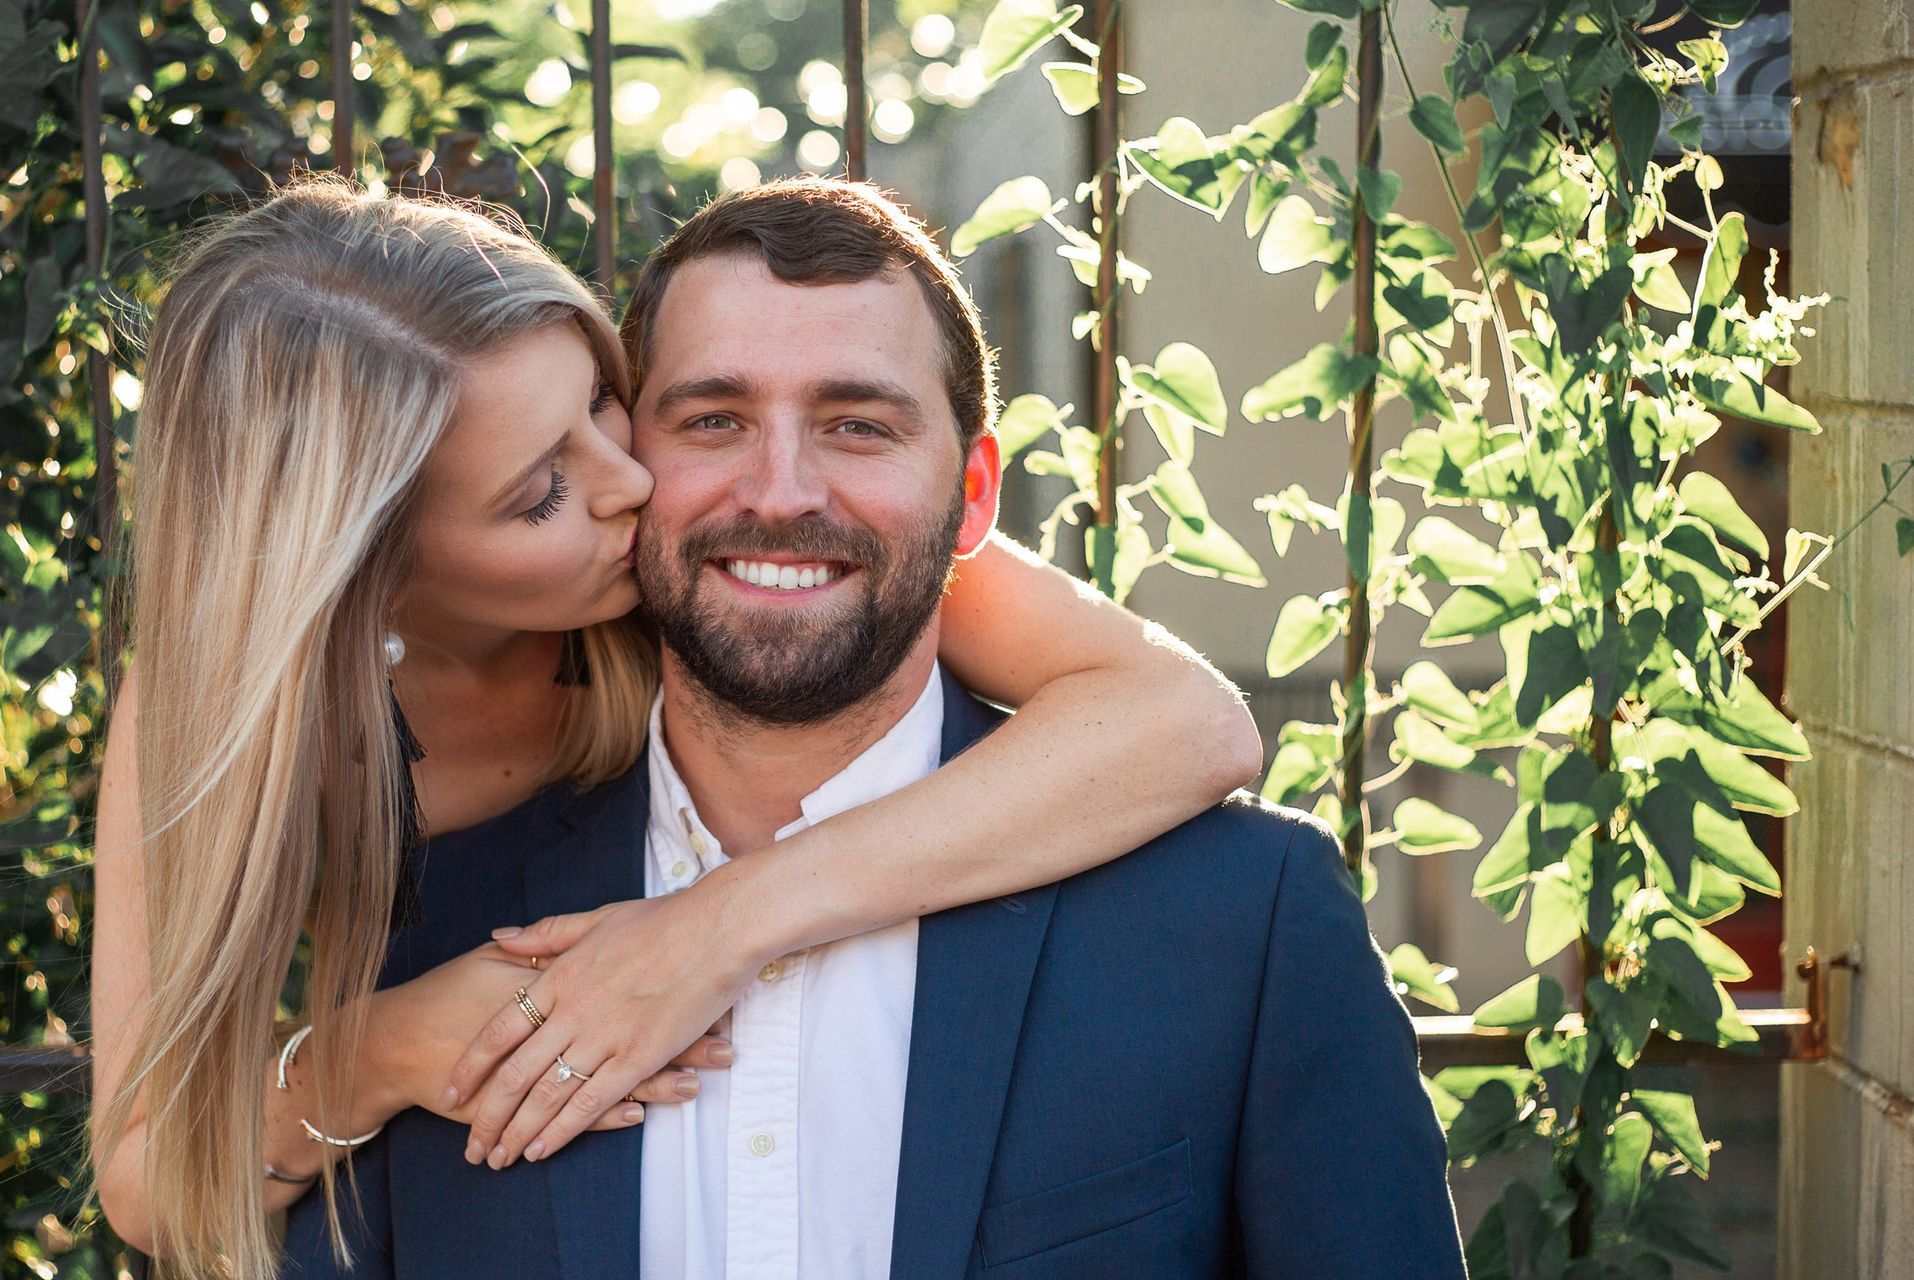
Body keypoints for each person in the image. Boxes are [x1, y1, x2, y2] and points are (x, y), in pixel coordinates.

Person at [281, 178, 1466, 1279]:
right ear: (627, 466)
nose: (783, 490)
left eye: (857, 425)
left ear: (976, 497)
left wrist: (720, 926)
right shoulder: (434, 925)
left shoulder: (1239, 920)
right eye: (711, 420)